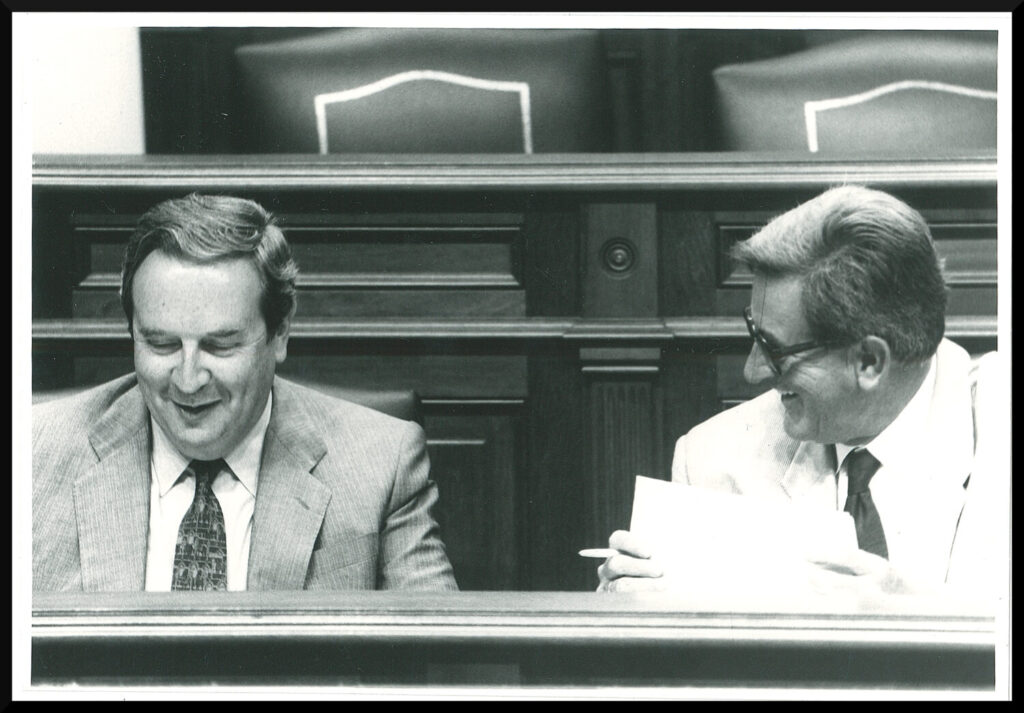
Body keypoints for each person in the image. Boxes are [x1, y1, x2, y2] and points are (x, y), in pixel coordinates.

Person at [597, 185, 1006, 600]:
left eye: (775, 349)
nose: (753, 370)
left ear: (869, 361)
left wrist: (909, 612)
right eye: (754, 334)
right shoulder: (711, 459)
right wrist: (628, 615)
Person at [33, 193, 458, 592]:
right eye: (161, 344)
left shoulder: (382, 463)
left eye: (220, 346)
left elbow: (435, 639)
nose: (188, 379)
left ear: (281, 332)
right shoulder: (33, 455)